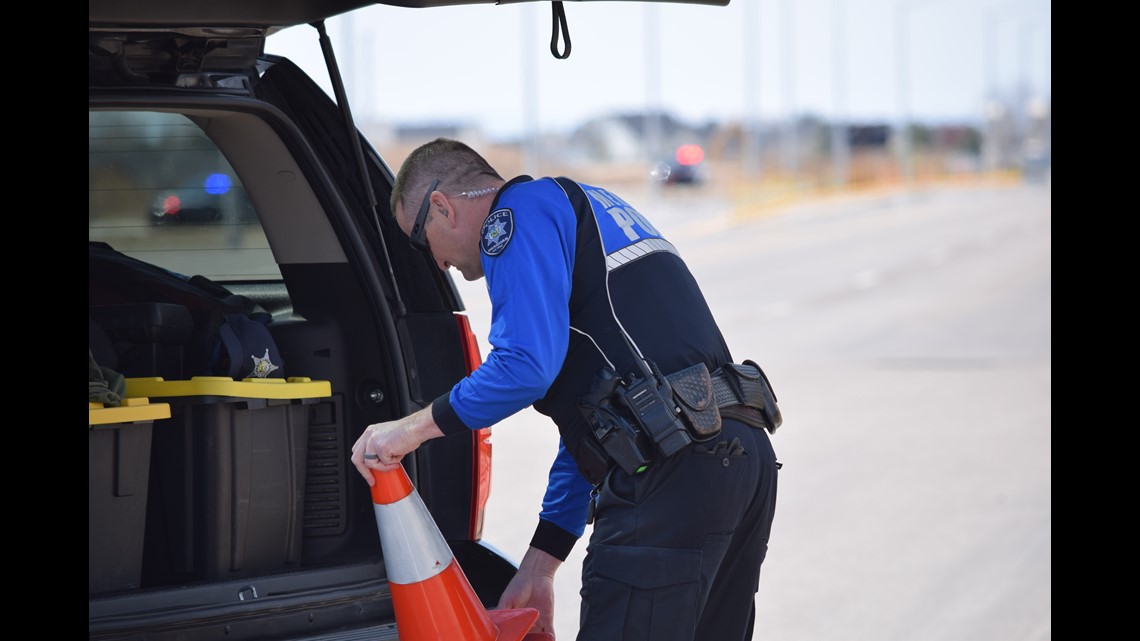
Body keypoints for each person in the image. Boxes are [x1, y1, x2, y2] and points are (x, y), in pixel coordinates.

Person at [351, 138, 780, 641]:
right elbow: (606, 424)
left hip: (673, 478)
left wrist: (408, 431)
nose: (438, 266)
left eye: (421, 242)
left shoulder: (514, 215)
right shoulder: (589, 205)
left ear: (442, 207)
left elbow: (524, 366)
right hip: (737, 458)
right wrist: (540, 565)